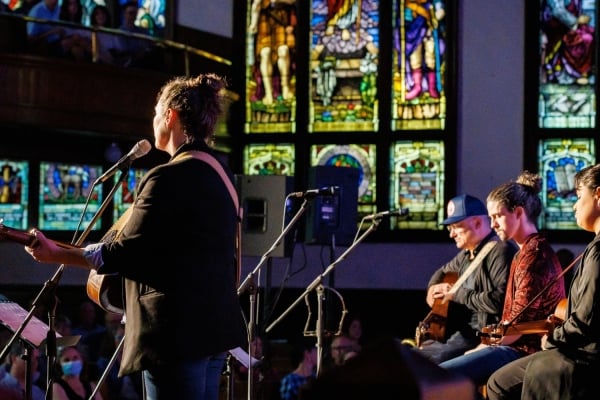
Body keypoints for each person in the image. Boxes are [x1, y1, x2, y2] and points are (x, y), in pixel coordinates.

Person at [23, 73, 247, 400]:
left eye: (157, 113)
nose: (154, 120)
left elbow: (123, 252)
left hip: (176, 336)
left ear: (170, 115)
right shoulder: (221, 175)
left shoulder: (167, 177)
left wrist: (55, 254)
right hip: (216, 331)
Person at [439, 171, 566, 391]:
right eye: (491, 217)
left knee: (441, 377)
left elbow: (517, 326)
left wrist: (482, 348)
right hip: (513, 346)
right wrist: (482, 346)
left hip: (524, 351)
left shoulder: (534, 255)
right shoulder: (524, 252)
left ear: (518, 213)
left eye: (498, 216)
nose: (493, 224)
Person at [486, 164, 600, 400]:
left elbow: (585, 323)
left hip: (586, 355)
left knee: (499, 383)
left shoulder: (596, 252)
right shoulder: (593, 248)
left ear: (598, 195)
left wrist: (552, 338)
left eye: (579, 196)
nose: (574, 205)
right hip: (578, 346)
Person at [413, 194, 517, 364]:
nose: (451, 234)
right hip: (466, 335)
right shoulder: (467, 255)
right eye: (450, 229)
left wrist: (457, 294)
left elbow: (500, 302)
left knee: (428, 365)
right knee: (411, 356)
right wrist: (432, 288)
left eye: (457, 227)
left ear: (477, 223)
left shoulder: (501, 252)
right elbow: (442, 272)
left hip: (487, 339)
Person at [248, 0, 297, 106]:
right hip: (264, 18)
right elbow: (256, 4)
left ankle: (285, 88)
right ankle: (268, 92)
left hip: (282, 18)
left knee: (283, 51)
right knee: (265, 52)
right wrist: (254, 22)